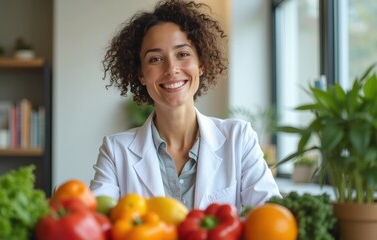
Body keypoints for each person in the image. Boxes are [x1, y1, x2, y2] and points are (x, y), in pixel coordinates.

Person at [90, 0, 281, 211]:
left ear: (200, 64)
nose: (171, 69)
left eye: (182, 54)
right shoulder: (116, 151)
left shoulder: (239, 139)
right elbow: (96, 222)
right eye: (155, 59)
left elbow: (270, 218)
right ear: (141, 75)